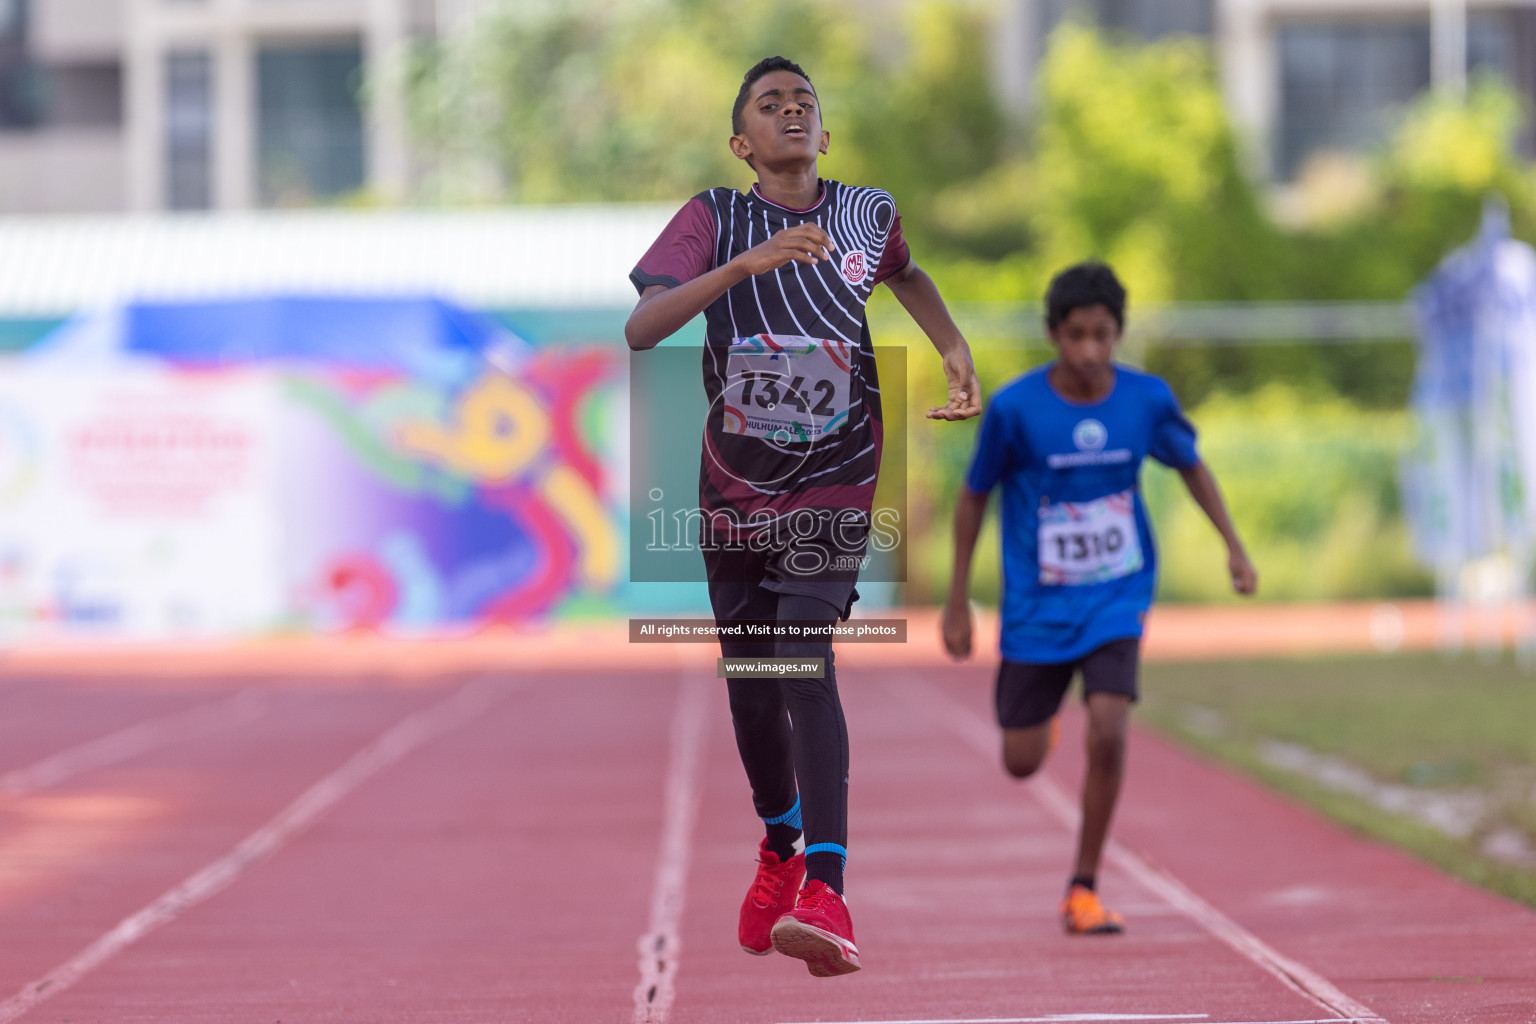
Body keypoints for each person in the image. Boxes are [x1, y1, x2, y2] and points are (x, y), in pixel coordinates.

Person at [627, 55, 979, 977]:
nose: (791, 113)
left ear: (824, 133)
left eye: (805, 104)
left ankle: (828, 889)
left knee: (800, 656)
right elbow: (643, 327)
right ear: (743, 143)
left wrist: (953, 349)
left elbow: (907, 274)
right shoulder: (714, 217)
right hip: (735, 484)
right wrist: (746, 263)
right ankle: (779, 845)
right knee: (750, 683)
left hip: (837, 474)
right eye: (770, 106)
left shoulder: (868, 213)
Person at [942, 261, 1257, 934]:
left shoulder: (1145, 400)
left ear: (1119, 333)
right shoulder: (1015, 408)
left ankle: (1082, 888)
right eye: (1076, 335)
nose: (1089, 351)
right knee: (1021, 762)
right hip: (1035, 607)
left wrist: (1233, 544)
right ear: (1054, 334)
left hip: (1117, 595)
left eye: (1103, 335)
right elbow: (974, 496)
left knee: (1111, 727)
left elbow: (1191, 466)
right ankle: (1046, 714)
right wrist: (955, 598)